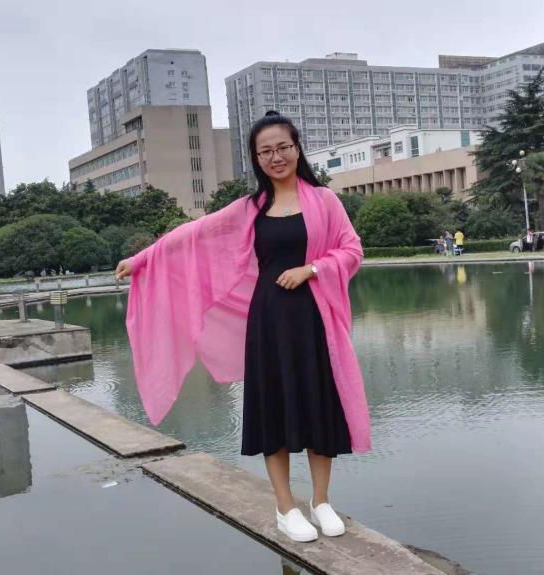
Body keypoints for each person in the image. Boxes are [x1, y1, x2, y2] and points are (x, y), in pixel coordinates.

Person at [115, 111, 370, 544]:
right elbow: (194, 235)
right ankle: (285, 506)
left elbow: (352, 249)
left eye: (283, 147)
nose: (276, 157)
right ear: (255, 158)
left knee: (319, 406)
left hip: (314, 321)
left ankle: (321, 501)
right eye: (265, 151)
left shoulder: (324, 200)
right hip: (268, 321)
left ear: (297, 149)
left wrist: (311, 269)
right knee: (274, 410)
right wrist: (143, 259)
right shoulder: (252, 209)